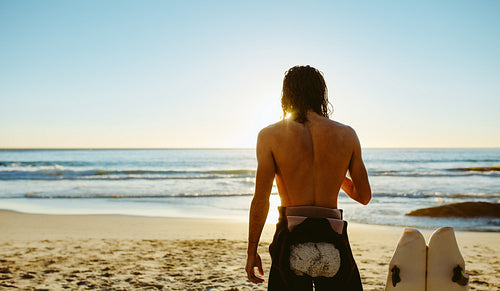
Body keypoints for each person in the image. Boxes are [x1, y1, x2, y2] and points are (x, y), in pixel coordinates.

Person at [245, 65, 372, 290]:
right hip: (333, 238)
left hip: (292, 236)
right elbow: (363, 196)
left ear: (287, 94)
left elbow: (261, 199)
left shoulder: (269, 135)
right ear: (320, 93)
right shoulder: (347, 134)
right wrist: (337, 174)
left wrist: (252, 249)